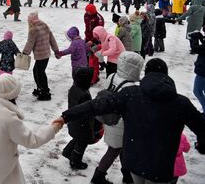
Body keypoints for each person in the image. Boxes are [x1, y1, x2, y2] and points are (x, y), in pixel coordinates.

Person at [57, 58, 205, 184]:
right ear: (166, 76)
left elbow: (96, 105)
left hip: (134, 162)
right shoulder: (180, 103)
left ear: (146, 74)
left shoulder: (131, 94)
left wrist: (67, 116)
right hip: (160, 166)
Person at [90, 51, 144, 184]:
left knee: (121, 148)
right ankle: (98, 176)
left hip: (109, 118)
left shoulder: (112, 76)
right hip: (120, 122)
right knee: (114, 150)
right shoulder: (130, 87)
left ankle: (127, 175)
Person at [62, 67, 96, 170]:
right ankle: (75, 162)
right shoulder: (84, 94)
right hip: (82, 124)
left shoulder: (74, 88)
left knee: (77, 138)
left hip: (73, 121)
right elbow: (85, 110)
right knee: (82, 142)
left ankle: (67, 152)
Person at [22, 12, 59, 101]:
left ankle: (45, 92)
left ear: (31, 20)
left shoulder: (33, 30)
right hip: (46, 55)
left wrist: (24, 53)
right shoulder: (44, 25)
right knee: (37, 71)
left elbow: (30, 43)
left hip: (40, 55)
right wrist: (56, 50)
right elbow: (52, 39)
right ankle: (40, 88)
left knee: (40, 73)